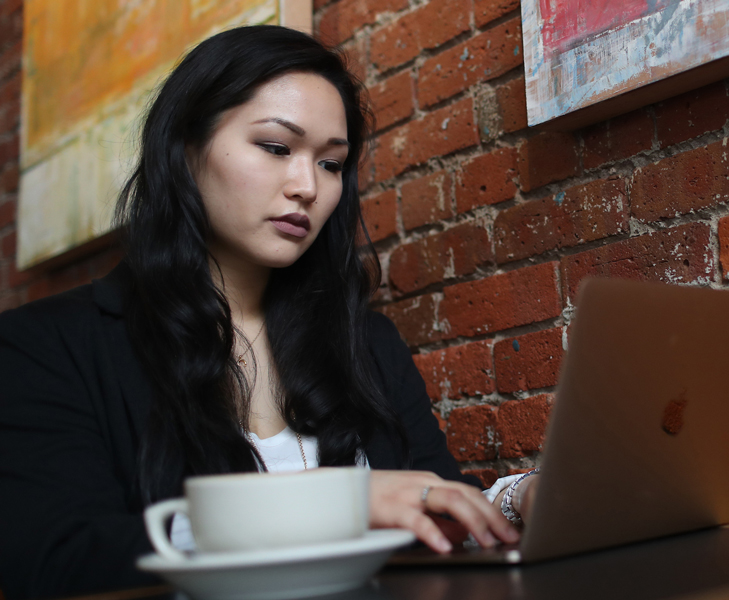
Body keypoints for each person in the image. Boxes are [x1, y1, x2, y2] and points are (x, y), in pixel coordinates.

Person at [0, 25, 539, 599]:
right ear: (186, 148)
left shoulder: (365, 341)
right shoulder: (44, 345)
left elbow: (432, 500)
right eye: (277, 148)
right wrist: (335, 506)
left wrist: (520, 497)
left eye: (332, 164)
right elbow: (54, 558)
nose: (307, 186)